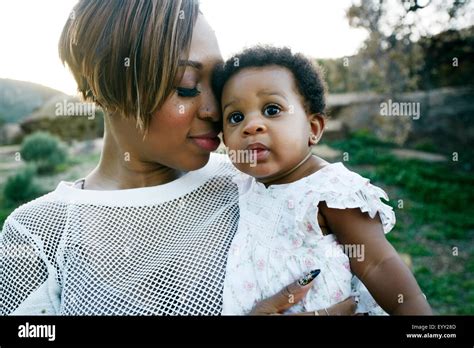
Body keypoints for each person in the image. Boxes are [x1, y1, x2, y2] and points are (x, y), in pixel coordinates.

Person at [0, 0, 355, 316]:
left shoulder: (256, 185)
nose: (215, 110)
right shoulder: (40, 234)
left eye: (217, 84)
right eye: (186, 85)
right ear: (104, 87)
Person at [212, 46, 433, 315]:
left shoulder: (329, 192)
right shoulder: (243, 184)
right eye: (236, 117)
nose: (251, 125)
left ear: (313, 129)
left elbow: (379, 264)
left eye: (272, 109)